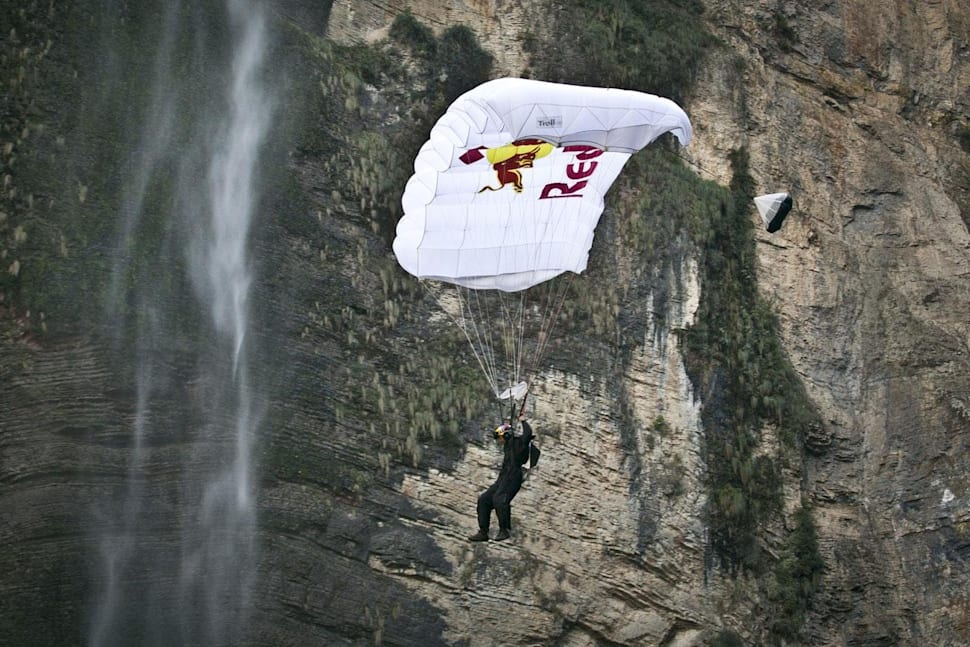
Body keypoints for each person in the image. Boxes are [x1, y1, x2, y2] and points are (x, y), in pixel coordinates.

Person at [468, 411, 533, 542]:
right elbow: (506, 431)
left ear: (507, 436)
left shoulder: (520, 444)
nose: (500, 441)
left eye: (500, 438)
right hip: (503, 477)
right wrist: (506, 425)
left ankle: (504, 530)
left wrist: (523, 421)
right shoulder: (508, 445)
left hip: (513, 477)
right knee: (484, 500)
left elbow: (528, 434)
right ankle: (483, 532)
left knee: (499, 499)